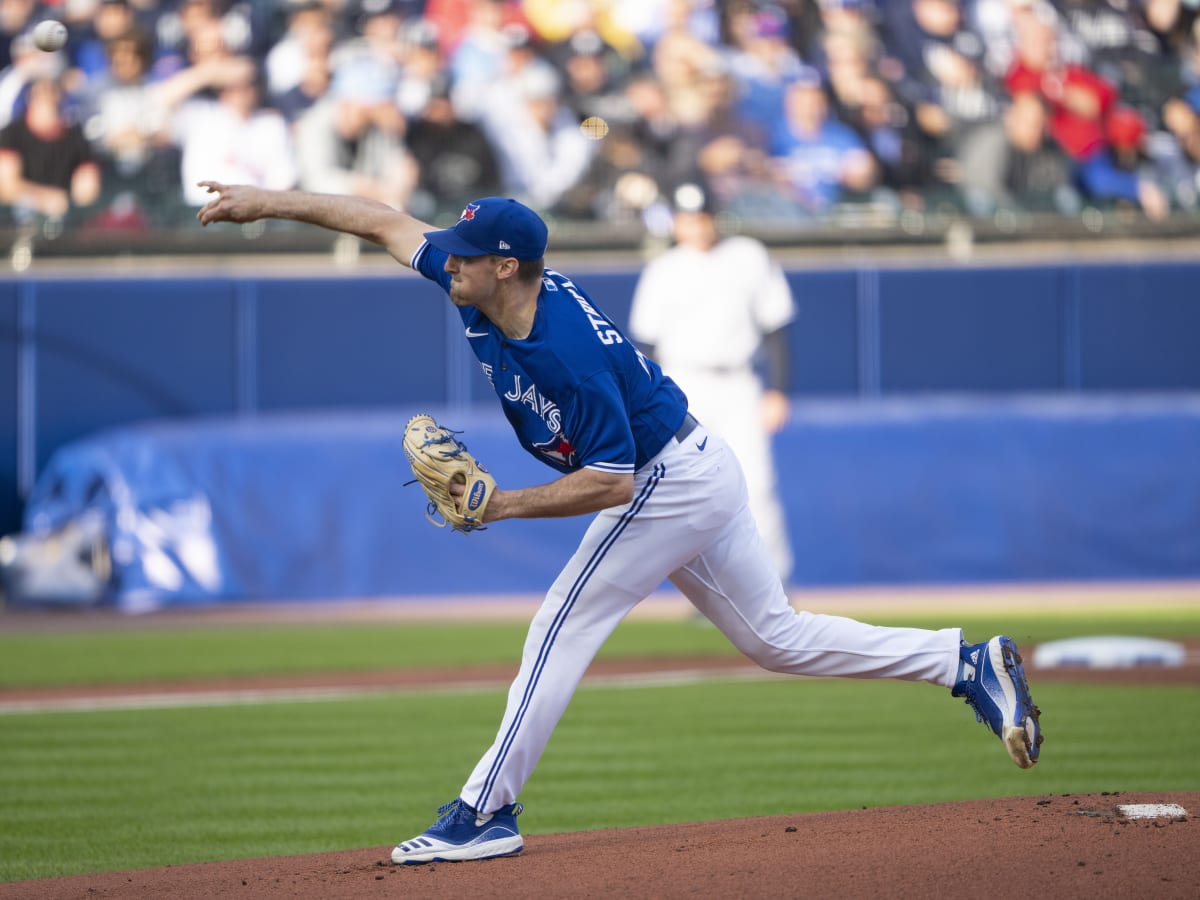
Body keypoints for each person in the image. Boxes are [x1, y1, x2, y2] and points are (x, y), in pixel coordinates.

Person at [195, 180, 1044, 866]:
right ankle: (961, 661)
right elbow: (381, 219)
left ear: (505, 266)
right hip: (692, 465)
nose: (444, 264)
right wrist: (267, 201)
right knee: (774, 639)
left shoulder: (561, 346)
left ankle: (484, 811)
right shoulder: (483, 288)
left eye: (464, 256)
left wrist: (501, 506)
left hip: (667, 479)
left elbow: (608, 481)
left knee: (559, 624)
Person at [629, 181, 796, 583]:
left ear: (714, 218)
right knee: (691, 493)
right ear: (676, 223)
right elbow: (645, 347)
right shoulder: (662, 269)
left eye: (702, 218)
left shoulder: (748, 256)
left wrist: (779, 389)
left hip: (738, 383)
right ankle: (708, 590)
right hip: (683, 386)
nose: (696, 227)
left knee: (756, 485)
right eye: (688, 219)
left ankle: (772, 584)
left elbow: (775, 328)